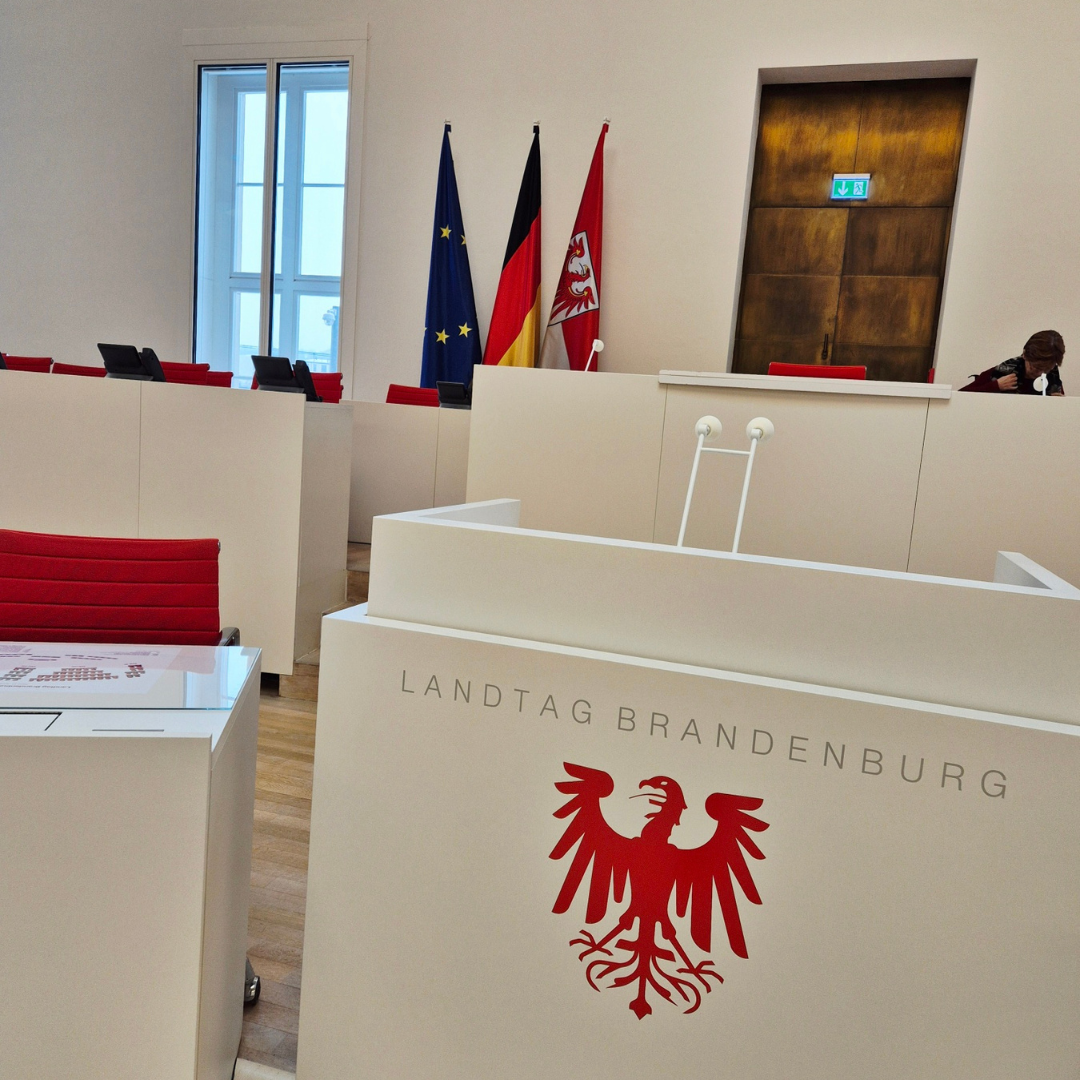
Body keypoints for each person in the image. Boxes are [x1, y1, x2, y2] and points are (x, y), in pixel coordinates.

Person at [959, 330, 1065, 394]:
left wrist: (1060, 404)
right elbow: (961, 395)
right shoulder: (1005, 370)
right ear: (1024, 355)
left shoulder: (1053, 376)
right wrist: (996, 386)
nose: (1040, 373)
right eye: (1035, 367)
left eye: (1046, 369)